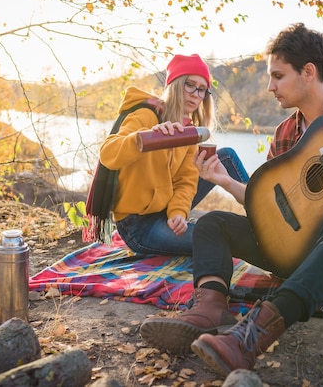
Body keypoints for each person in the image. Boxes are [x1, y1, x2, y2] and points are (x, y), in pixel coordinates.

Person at [139, 23, 323, 373]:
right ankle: (209, 308)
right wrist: (222, 180)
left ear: (308, 72)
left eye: (278, 76)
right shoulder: (285, 132)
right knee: (213, 223)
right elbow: (268, 205)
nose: (269, 87)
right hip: (303, 250)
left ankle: (251, 337)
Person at [98, 54, 249, 257]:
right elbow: (108, 153)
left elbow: (186, 181)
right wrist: (145, 137)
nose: (196, 94)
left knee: (226, 157)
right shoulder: (145, 115)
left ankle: (265, 214)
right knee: (217, 239)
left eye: (202, 89)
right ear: (175, 84)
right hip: (137, 225)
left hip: (165, 210)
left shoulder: (188, 131)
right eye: (190, 85)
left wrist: (177, 212)